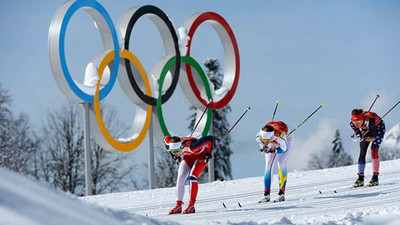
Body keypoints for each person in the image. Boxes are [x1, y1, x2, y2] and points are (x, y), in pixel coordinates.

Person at [164, 135, 213, 214]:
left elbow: (210, 138)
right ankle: (178, 205)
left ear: (181, 148)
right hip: (188, 157)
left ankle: (191, 206)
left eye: (177, 152)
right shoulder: (169, 146)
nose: (175, 154)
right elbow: (166, 138)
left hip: (201, 156)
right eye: (173, 152)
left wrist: (209, 152)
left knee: (192, 176)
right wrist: (173, 155)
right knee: (180, 177)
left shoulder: (193, 146)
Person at [255, 121, 294, 203]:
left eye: (267, 140)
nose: (265, 142)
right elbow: (264, 146)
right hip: (273, 141)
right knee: (268, 166)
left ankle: (281, 194)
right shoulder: (258, 137)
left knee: (281, 163)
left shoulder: (280, 137)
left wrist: (275, 150)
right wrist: (265, 148)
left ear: (272, 136)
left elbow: (283, 150)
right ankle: (266, 195)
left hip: (286, 138)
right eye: (263, 140)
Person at [350, 109, 385, 187]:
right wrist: (358, 135)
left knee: (373, 151)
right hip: (366, 128)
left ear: (362, 119)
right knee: (362, 151)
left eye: (358, 122)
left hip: (378, 128)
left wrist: (363, 138)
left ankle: (375, 178)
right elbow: (357, 131)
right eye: (354, 122)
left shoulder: (371, 121)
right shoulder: (353, 124)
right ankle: (360, 178)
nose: (356, 125)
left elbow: (374, 138)